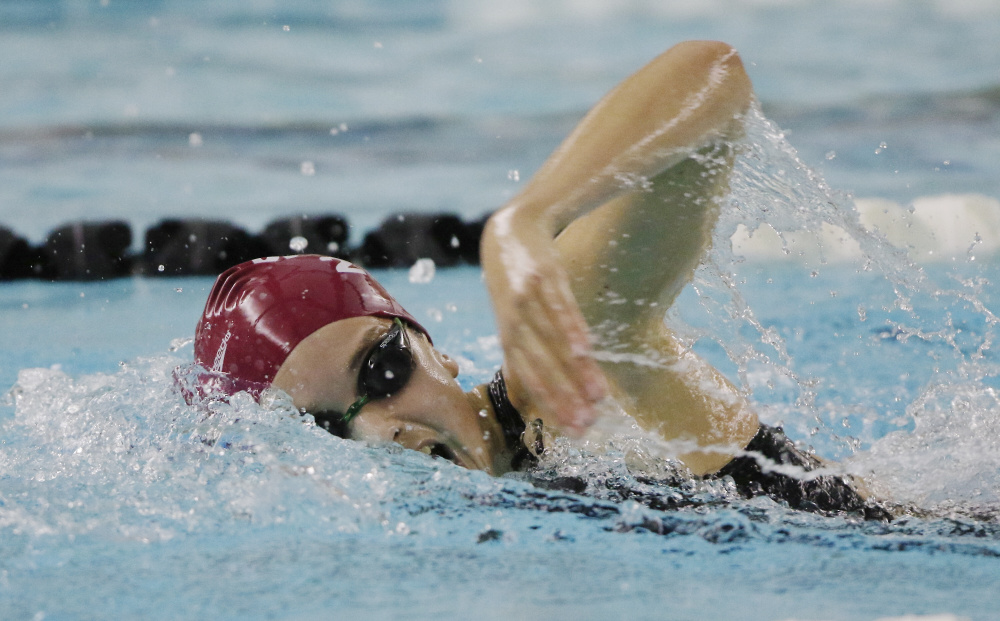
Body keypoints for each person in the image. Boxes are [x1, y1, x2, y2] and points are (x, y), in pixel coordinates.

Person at [191, 41, 884, 517]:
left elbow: (713, 74)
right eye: (324, 430)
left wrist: (524, 221)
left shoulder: (577, 376)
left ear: (435, 348)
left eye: (382, 370)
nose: (382, 428)